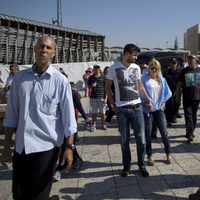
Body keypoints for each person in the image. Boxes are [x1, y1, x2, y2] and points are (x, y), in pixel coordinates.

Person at [0, 35, 77, 200]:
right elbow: (11, 115)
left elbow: (69, 118)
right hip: (21, 147)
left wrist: (69, 148)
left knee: (39, 196)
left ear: (54, 53)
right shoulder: (20, 79)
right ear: (34, 50)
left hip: (47, 148)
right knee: (20, 195)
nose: (44, 50)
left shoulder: (60, 81)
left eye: (49, 48)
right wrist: (7, 146)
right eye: (41, 46)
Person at [105, 43, 152, 177]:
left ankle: (141, 165)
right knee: (124, 140)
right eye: (134, 55)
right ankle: (126, 165)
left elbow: (139, 86)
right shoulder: (114, 68)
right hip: (122, 110)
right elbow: (108, 86)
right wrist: (112, 103)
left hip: (137, 108)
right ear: (126, 53)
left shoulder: (136, 68)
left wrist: (148, 99)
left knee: (141, 139)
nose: (136, 58)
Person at [141, 59, 172, 166]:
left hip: (159, 110)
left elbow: (168, 93)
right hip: (148, 110)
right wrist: (145, 103)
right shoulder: (143, 79)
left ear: (158, 69)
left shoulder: (161, 80)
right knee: (148, 133)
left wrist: (163, 103)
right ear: (148, 68)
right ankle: (149, 155)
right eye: (152, 68)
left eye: (156, 68)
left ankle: (168, 153)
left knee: (164, 132)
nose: (154, 70)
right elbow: (139, 94)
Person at [176, 54, 200, 143]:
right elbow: (179, 85)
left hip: (197, 97)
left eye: (192, 59)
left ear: (196, 61)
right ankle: (190, 133)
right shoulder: (184, 71)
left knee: (193, 115)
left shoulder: (199, 70)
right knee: (188, 115)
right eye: (189, 59)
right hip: (187, 97)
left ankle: (190, 130)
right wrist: (178, 97)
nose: (190, 61)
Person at [88, 64, 107, 131]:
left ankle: (103, 124)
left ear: (99, 69)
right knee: (94, 112)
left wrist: (106, 98)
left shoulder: (104, 77)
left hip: (101, 97)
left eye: (97, 68)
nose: (96, 70)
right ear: (93, 69)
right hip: (93, 97)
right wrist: (91, 86)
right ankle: (93, 125)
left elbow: (106, 88)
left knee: (103, 112)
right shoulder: (91, 77)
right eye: (95, 68)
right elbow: (88, 86)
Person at [164, 58, 181, 127]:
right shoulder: (166, 72)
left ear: (176, 64)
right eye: (171, 63)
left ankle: (174, 116)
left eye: (174, 63)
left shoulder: (179, 72)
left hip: (177, 91)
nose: (173, 64)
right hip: (168, 91)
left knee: (177, 104)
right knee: (169, 106)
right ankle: (169, 120)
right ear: (170, 64)